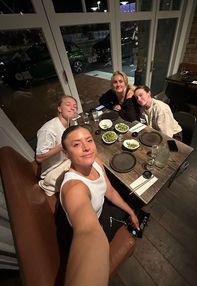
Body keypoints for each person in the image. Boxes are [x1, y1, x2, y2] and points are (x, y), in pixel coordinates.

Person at [56, 125, 140, 285]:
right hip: (83, 226)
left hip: (99, 208)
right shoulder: (74, 188)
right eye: (76, 144)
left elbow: (109, 191)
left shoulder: (96, 162)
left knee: (132, 203)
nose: (87, 147)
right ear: (66, 154)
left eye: (89, 140)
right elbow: (88, 232)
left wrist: (131, 212)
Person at [36, 95, 78, 195]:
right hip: (54, 170)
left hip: (67, 160)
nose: (73, 108)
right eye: (68, 105)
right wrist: (61, 145)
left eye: (75, 106)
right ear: (59, 108)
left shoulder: (71, 123)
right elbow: (39, 158)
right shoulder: (48, 129)